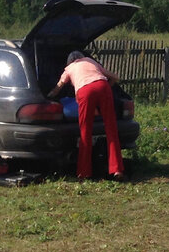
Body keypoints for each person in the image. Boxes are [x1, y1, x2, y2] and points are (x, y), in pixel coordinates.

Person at [51, 50, 125, 181]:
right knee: (111, 130)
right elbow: (115, 77)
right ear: (82, 57)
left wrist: (48, 96)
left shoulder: (69, 69)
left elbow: (58, 87)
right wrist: (107, 86)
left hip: (85, 91)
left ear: (69, 61)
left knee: (85, 132)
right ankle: (117, 169)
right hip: (103, 87)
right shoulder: (91, 61)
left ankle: (84, 172)